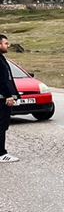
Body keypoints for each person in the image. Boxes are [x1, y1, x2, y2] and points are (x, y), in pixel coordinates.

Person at [0, 34, 20, 163]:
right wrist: (8, 95)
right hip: (1, 98)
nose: (8, 46)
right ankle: (1, 153)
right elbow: (1, 80)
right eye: (5, 43)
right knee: (1, 126)